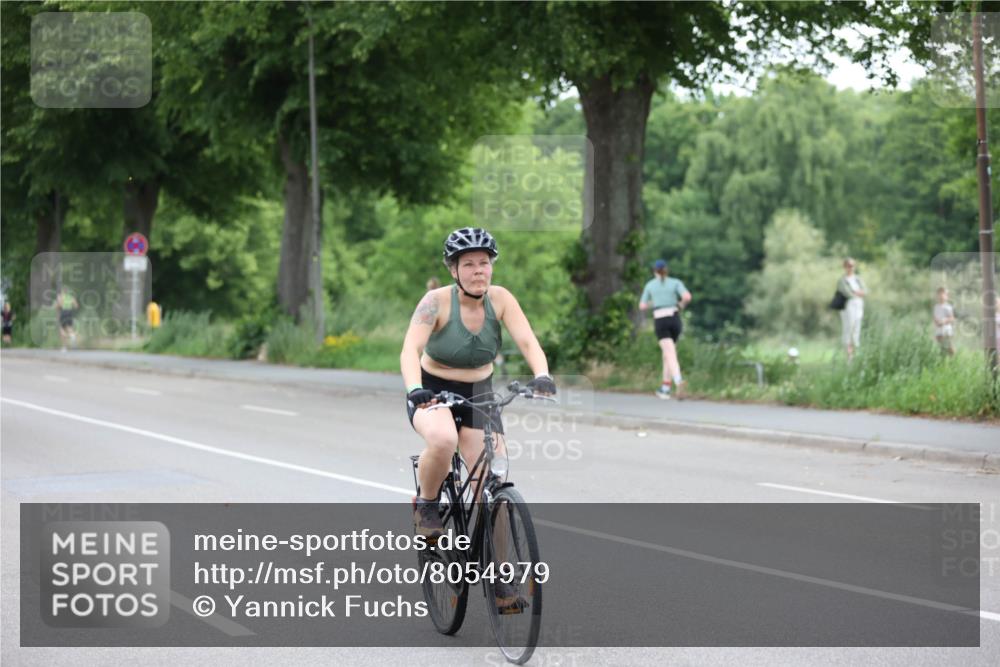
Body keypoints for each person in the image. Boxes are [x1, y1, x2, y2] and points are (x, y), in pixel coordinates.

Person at [400, 227, 554, 611]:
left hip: (479, 392)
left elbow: (528, 341)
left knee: (494, 486)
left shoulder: (501, 300)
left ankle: (501, 579)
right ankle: (428, 504)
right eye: (468, 264)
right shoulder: (435, 302)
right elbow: (410, 348)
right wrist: (414, 388)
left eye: (484, 263)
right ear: (454, 270)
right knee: (442, 440)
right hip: (432, 388)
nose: (478, 271)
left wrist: (543, 374)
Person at [639, 259, 691, 399]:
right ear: (666, 270)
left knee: (670, 353)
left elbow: (642, 306)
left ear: (654, 271)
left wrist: (654, 302)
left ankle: (678, 381)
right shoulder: (675, 282)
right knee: (667, 353)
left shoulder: (650, 285)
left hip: (661, 319)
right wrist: (680, 305)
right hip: (675, 318)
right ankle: (665, 388)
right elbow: (687, 296)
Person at [837, 258, 867, 361]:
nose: (850, 268)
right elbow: (848, 293)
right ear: (845, 267)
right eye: (848, 266)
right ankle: (849, 357)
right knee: (848, 329)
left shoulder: (857, 279)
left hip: (858, 306)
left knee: (856, 329)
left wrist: (856, 292)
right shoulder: (842, 280)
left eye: (852, 266)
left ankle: (856, 355)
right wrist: (857, 293)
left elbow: (865, 291)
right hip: (848, 307)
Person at [932, 287, 955, 356]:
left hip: (946, 329)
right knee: (941, 346)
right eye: (939, 295)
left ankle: (953, 358)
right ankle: (943, 361)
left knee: (948, 345)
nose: (941, 297)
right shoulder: (936, 307)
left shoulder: (948, 307)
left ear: (947, 297)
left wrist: (944, 321)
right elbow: (935, 317)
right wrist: (936, 322)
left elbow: (952, 318)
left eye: (943, 295)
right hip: (938, 329)